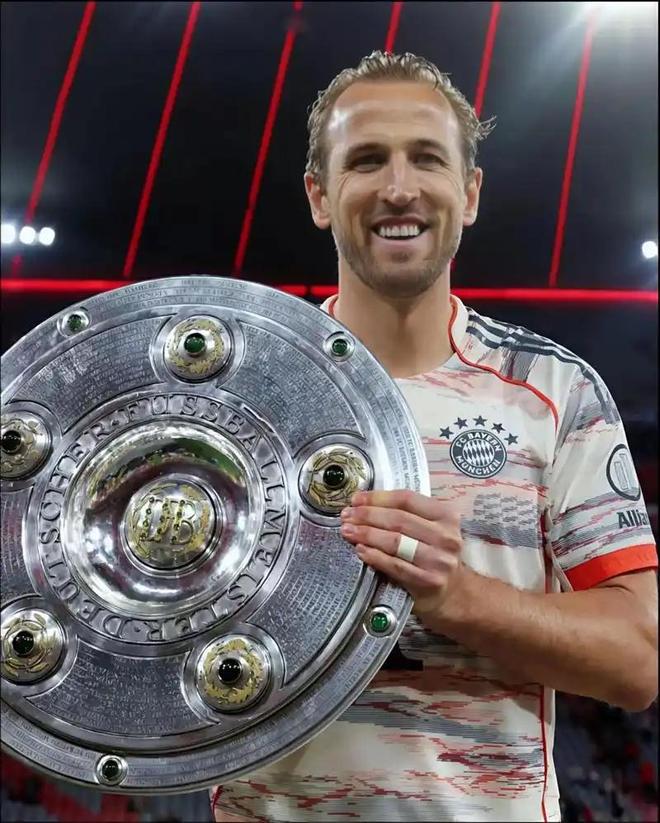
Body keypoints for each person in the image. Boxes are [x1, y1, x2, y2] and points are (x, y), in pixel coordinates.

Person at [211, 51, 658, 822]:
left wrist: (460, 597)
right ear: (319, 195)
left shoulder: (553, 390)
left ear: (469, 192)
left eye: (426, 157)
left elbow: (638, 659)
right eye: (366, 160)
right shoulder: (239, 390)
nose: (398, 187)